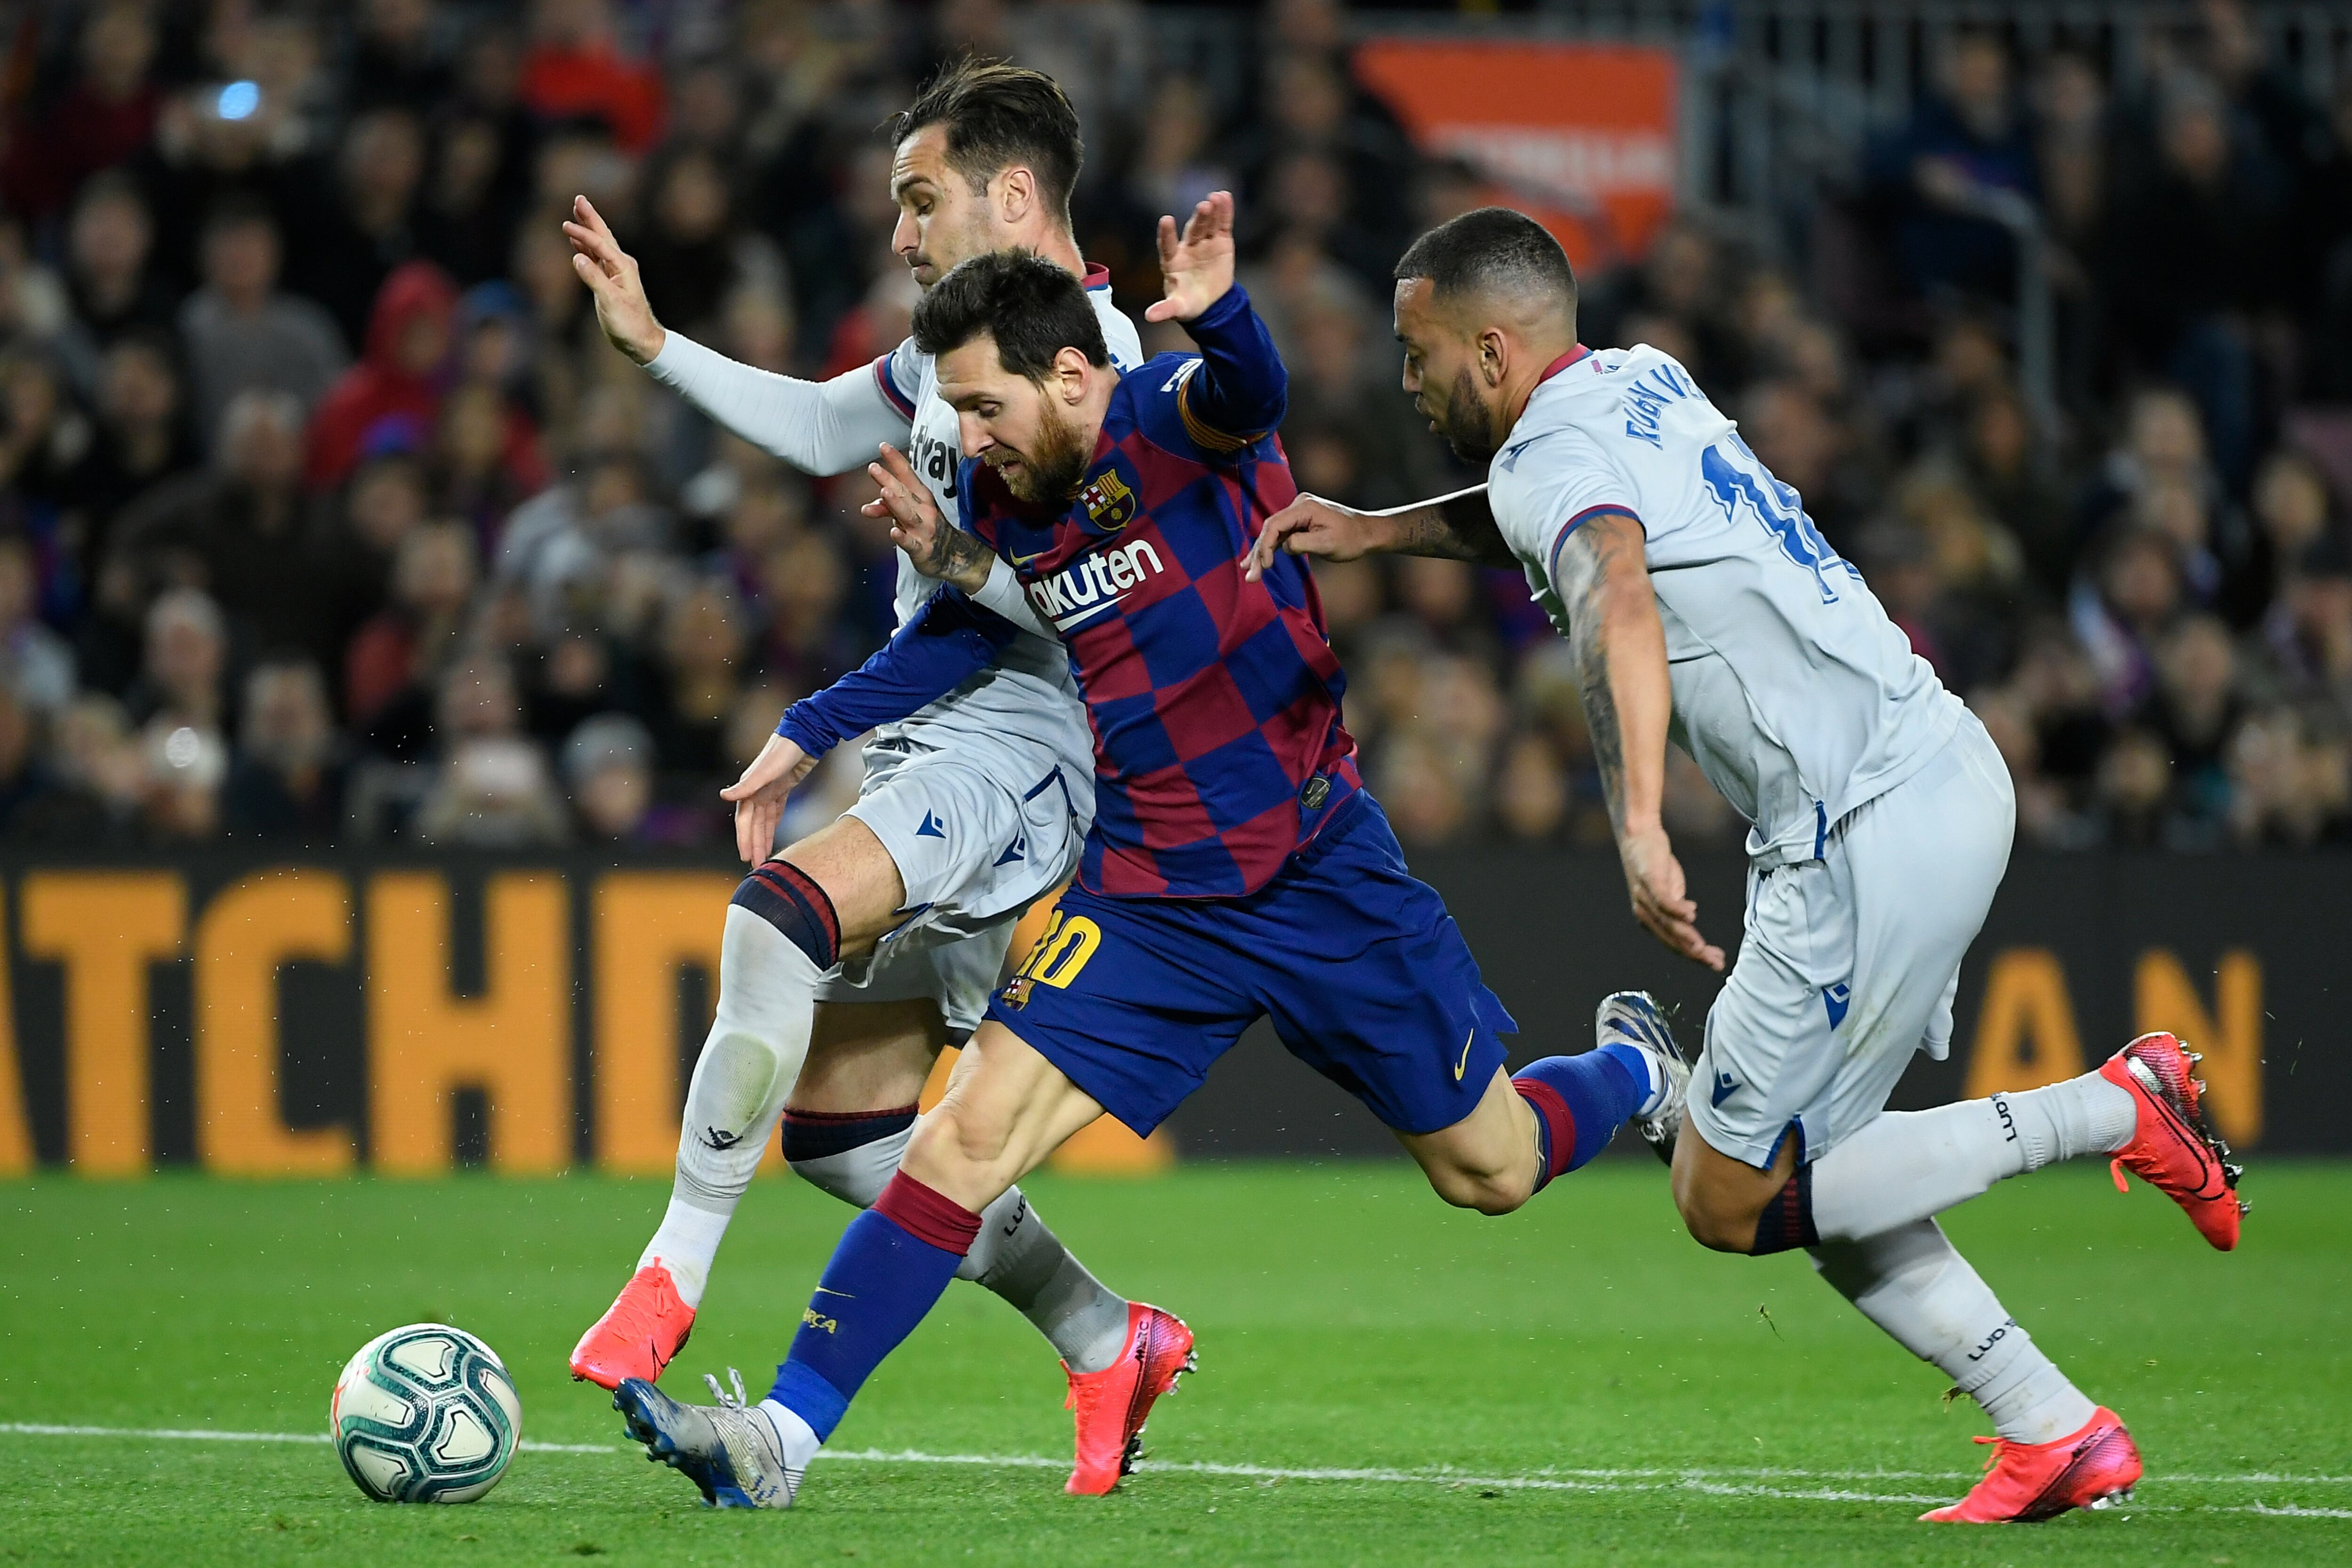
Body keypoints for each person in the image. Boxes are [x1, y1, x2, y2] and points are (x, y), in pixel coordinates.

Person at [609, 202, 1688, 1512]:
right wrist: (811, 726)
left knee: (1494, 1170)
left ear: (1072, 376)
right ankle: (780, 1439)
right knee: (961, 1145)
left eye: (985, 406)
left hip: (1315, 870)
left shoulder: (1173, 411)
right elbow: (956, 637)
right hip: (1150, 893)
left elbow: (1255, 388)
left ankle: (1633, 1066)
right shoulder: (1009, 498)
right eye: (953, 411)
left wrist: (1223, 308)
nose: (969, 439)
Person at [1246, 207, 2248, 1525]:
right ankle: (2053, 1430)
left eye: (1417, 351)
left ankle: (2123, 1107)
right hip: (1924, 771)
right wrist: (1380, 533)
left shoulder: (1555, 460)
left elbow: (1609, 583)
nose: (1406, 379)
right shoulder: (1638, 379)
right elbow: (1547, 516)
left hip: (1862, 827)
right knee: (1792, 1175)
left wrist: (1639, 816)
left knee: (1726, 1197)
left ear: (1491, 350)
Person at [560, 59, 1175, 1496]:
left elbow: (1113, 605)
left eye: (923, 198)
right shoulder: (954, 353)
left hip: (1030, 748)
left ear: (1011, 196)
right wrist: (656, 345)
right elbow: (830, 425)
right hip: (936, 736)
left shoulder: (1104, 370)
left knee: (775, 916)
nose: (899, 233)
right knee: (850, 1142)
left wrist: (911, 617)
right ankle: (1106, 1334)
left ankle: (667, 1277)